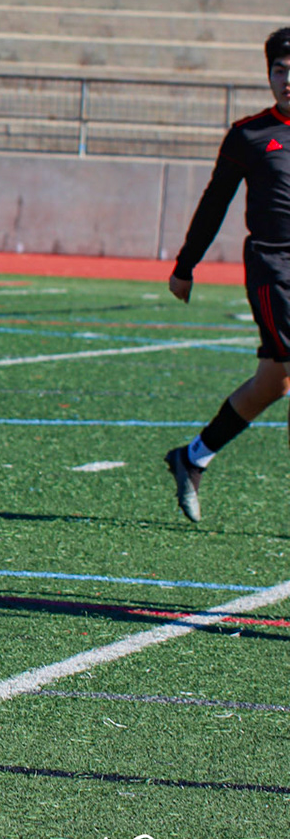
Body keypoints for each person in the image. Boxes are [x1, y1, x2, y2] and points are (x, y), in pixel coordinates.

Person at [164, 28, 290, 523]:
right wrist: (185, 265)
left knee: (273, 382)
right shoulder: (249, 135)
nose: (287, 80)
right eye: (279, 70)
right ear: (268, 75)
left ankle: (192, 457)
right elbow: (214, 202)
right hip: (273, 269)